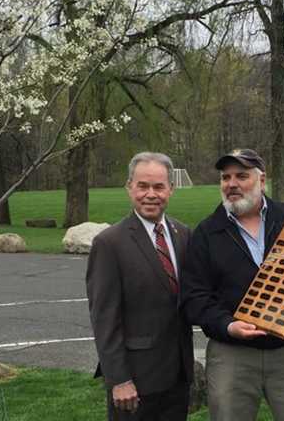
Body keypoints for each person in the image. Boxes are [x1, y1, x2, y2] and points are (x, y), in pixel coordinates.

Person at [180, 148, 284, 421]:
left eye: (241, 175)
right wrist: (228, 325)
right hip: (230, 354)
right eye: (226, 177)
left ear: (262, 181)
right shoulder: (206, 233)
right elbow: (195, 297)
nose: (232, 184)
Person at [86, 152, 193, 421]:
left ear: (171, 189)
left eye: (159, 186)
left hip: (178, 377)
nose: (151, 194)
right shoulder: (109, 243)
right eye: (142, 186)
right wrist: (119, 379)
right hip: (135, 382)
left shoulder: (183, 234)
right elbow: (104, 318)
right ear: (129, 188)